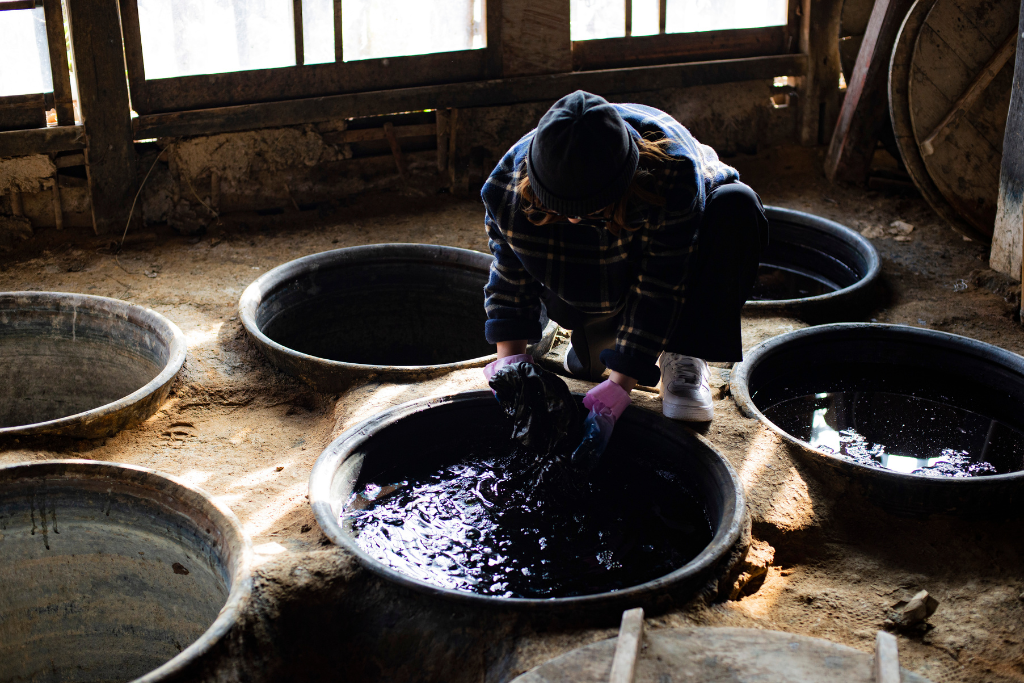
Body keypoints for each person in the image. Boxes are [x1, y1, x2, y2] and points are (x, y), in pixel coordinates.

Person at [481, 90, 768, 442]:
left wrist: (620, 387)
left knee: (737, 205)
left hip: (665, 248)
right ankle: (593, 337)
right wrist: (511, 365)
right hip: (596, 271)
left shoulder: (672, 173)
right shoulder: (505, 186)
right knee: (591, 364)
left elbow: (659, 286)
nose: (572, 219)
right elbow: (510, 279)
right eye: (561, 209)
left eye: (586, 210)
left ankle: (684, 353)